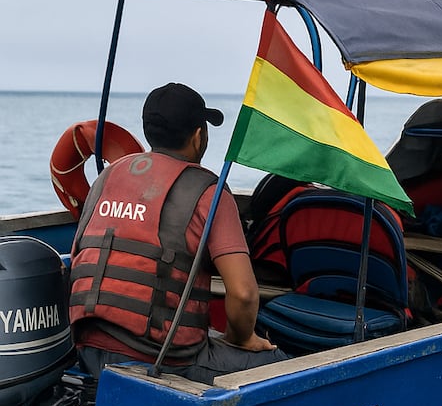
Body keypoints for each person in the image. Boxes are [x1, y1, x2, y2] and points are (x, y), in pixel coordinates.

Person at [69, 83, 288, 383]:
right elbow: (244, 294)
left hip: (88, 350)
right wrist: (242, 339)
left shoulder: (107, 177)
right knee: (282, 365)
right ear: (199, 137)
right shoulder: (209, 192)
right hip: (159, 361)